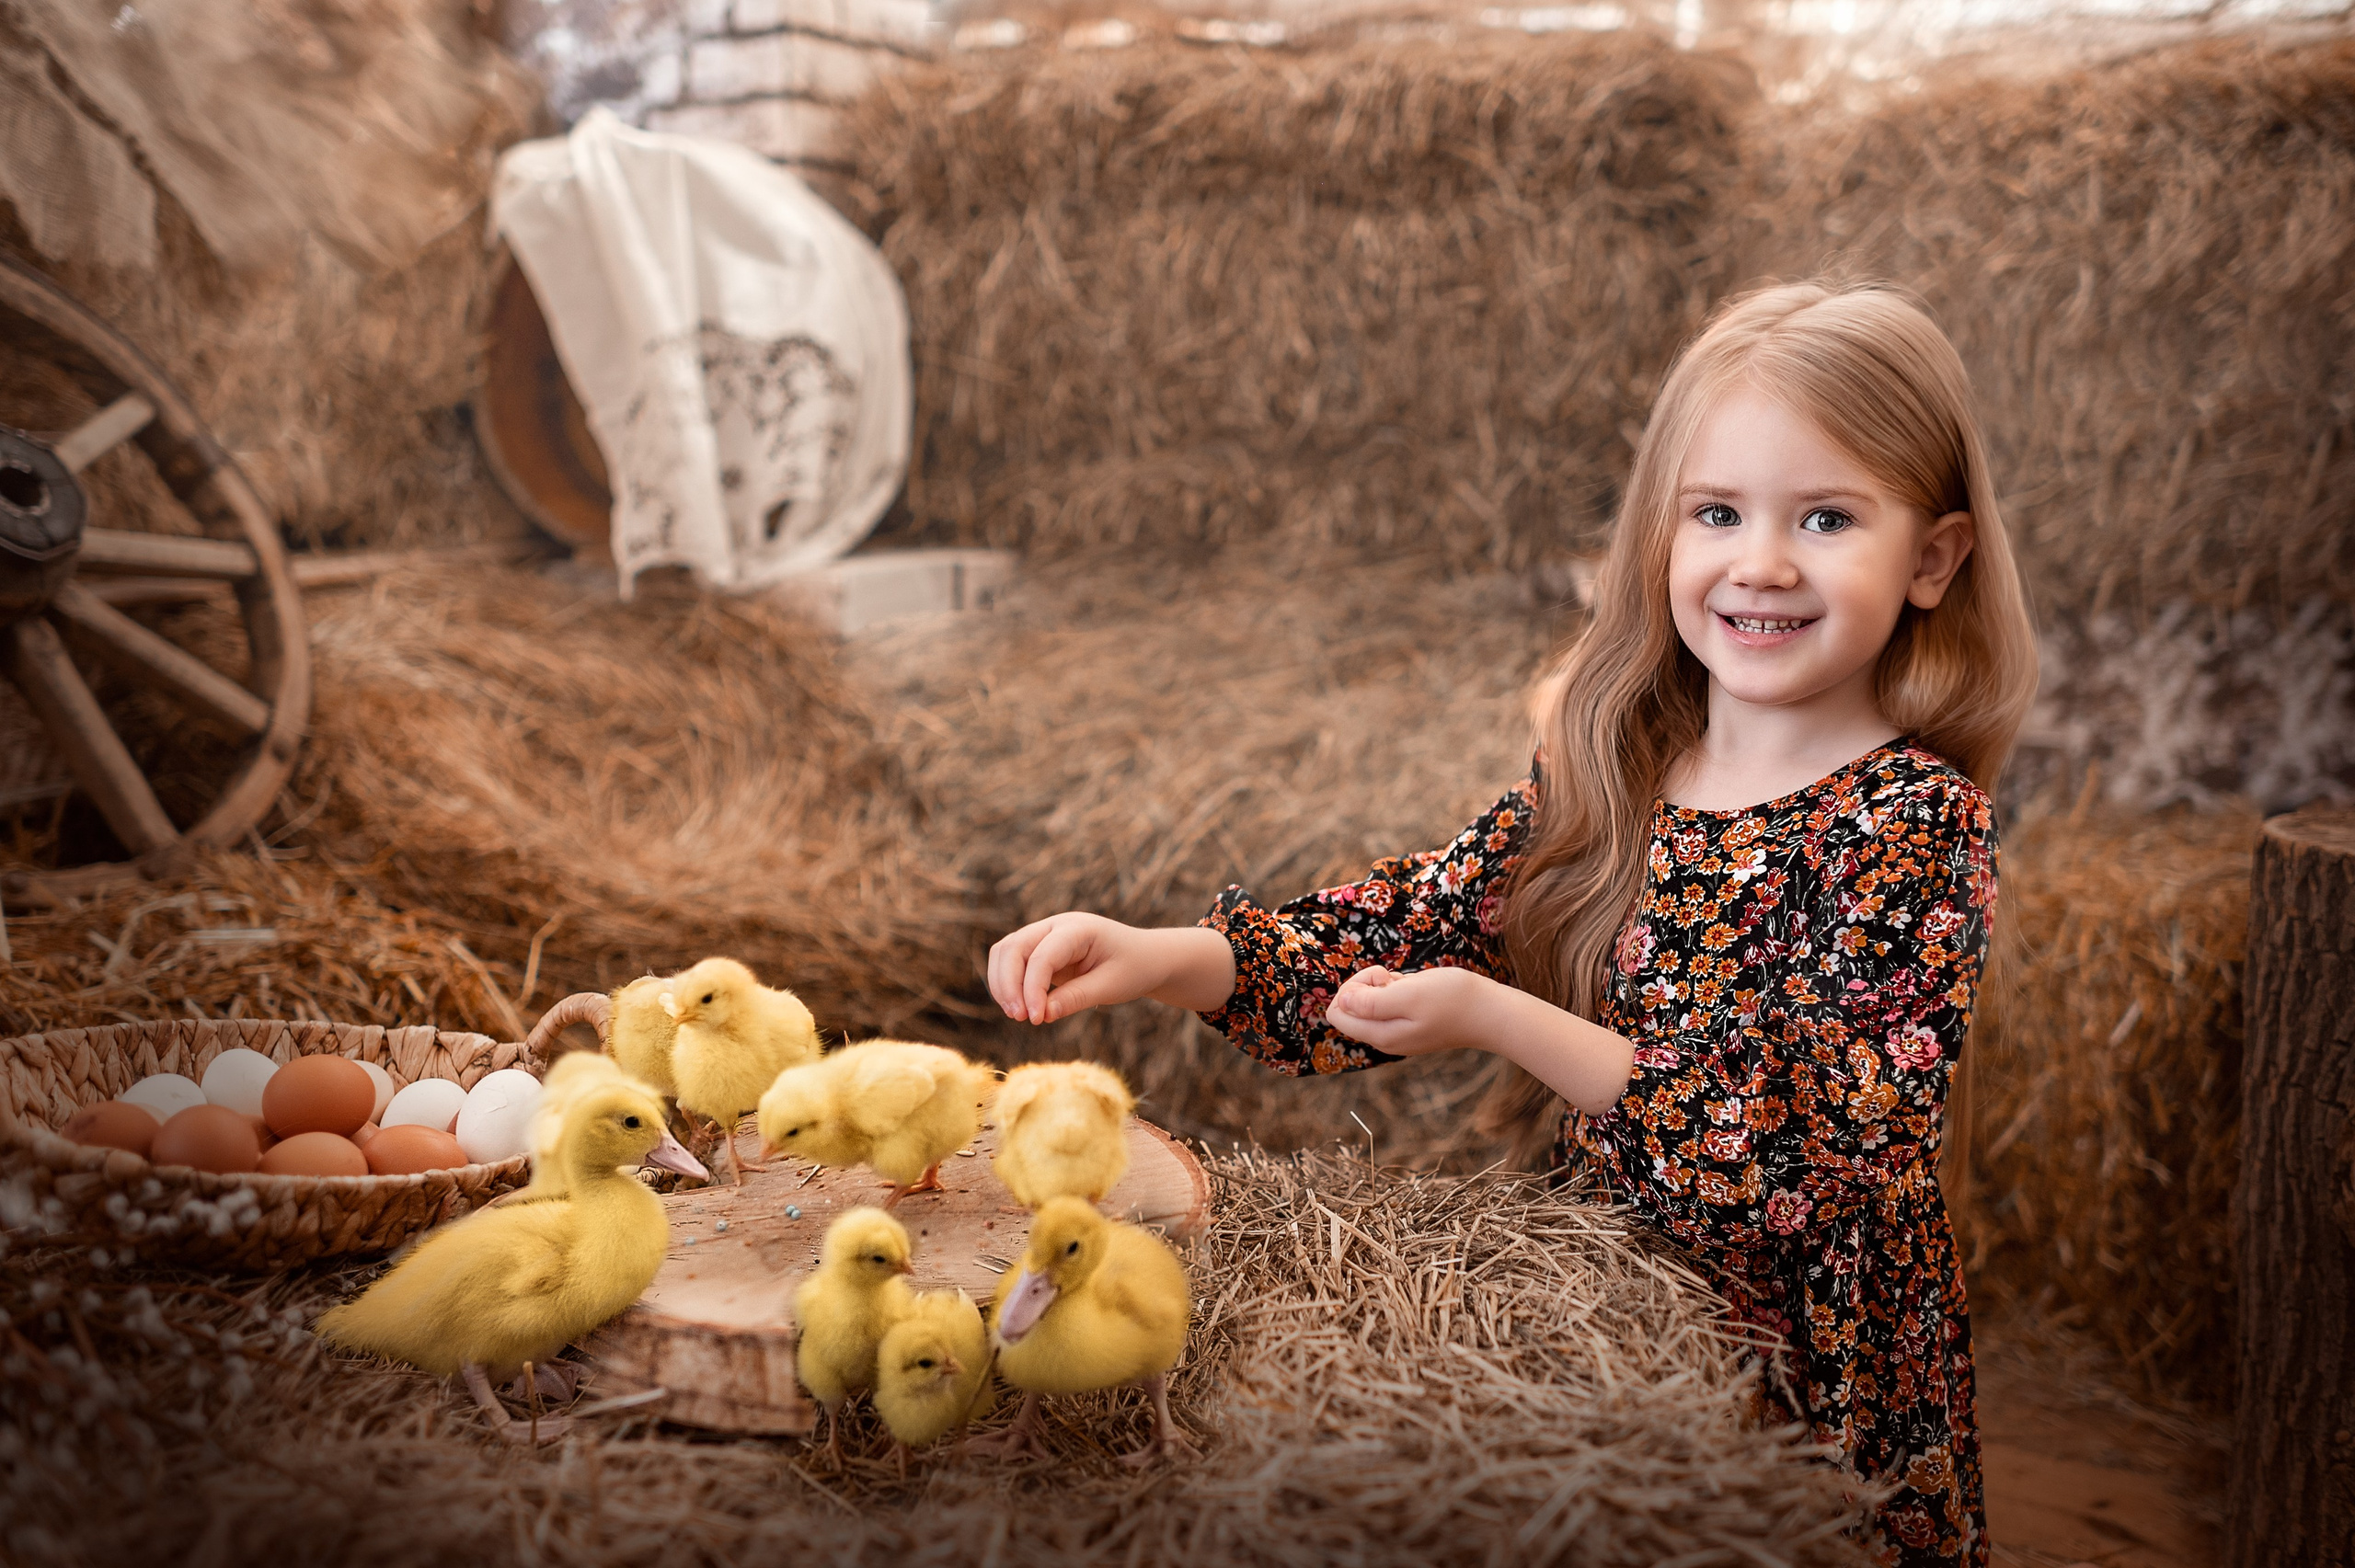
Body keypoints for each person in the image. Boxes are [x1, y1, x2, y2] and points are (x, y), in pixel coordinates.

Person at [983, 280, 2039, 1567]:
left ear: (1931, 559)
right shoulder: (1618, 768)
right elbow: (1414, 921)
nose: (1761, 562)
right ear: (1658, 536)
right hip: (1601, 1313)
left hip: (1818, 1359)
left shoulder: (1911, 822)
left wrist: (1500, 1017)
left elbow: (1809, 1148)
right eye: (1717, 513)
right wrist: (1168, 958)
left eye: (1825, 517)